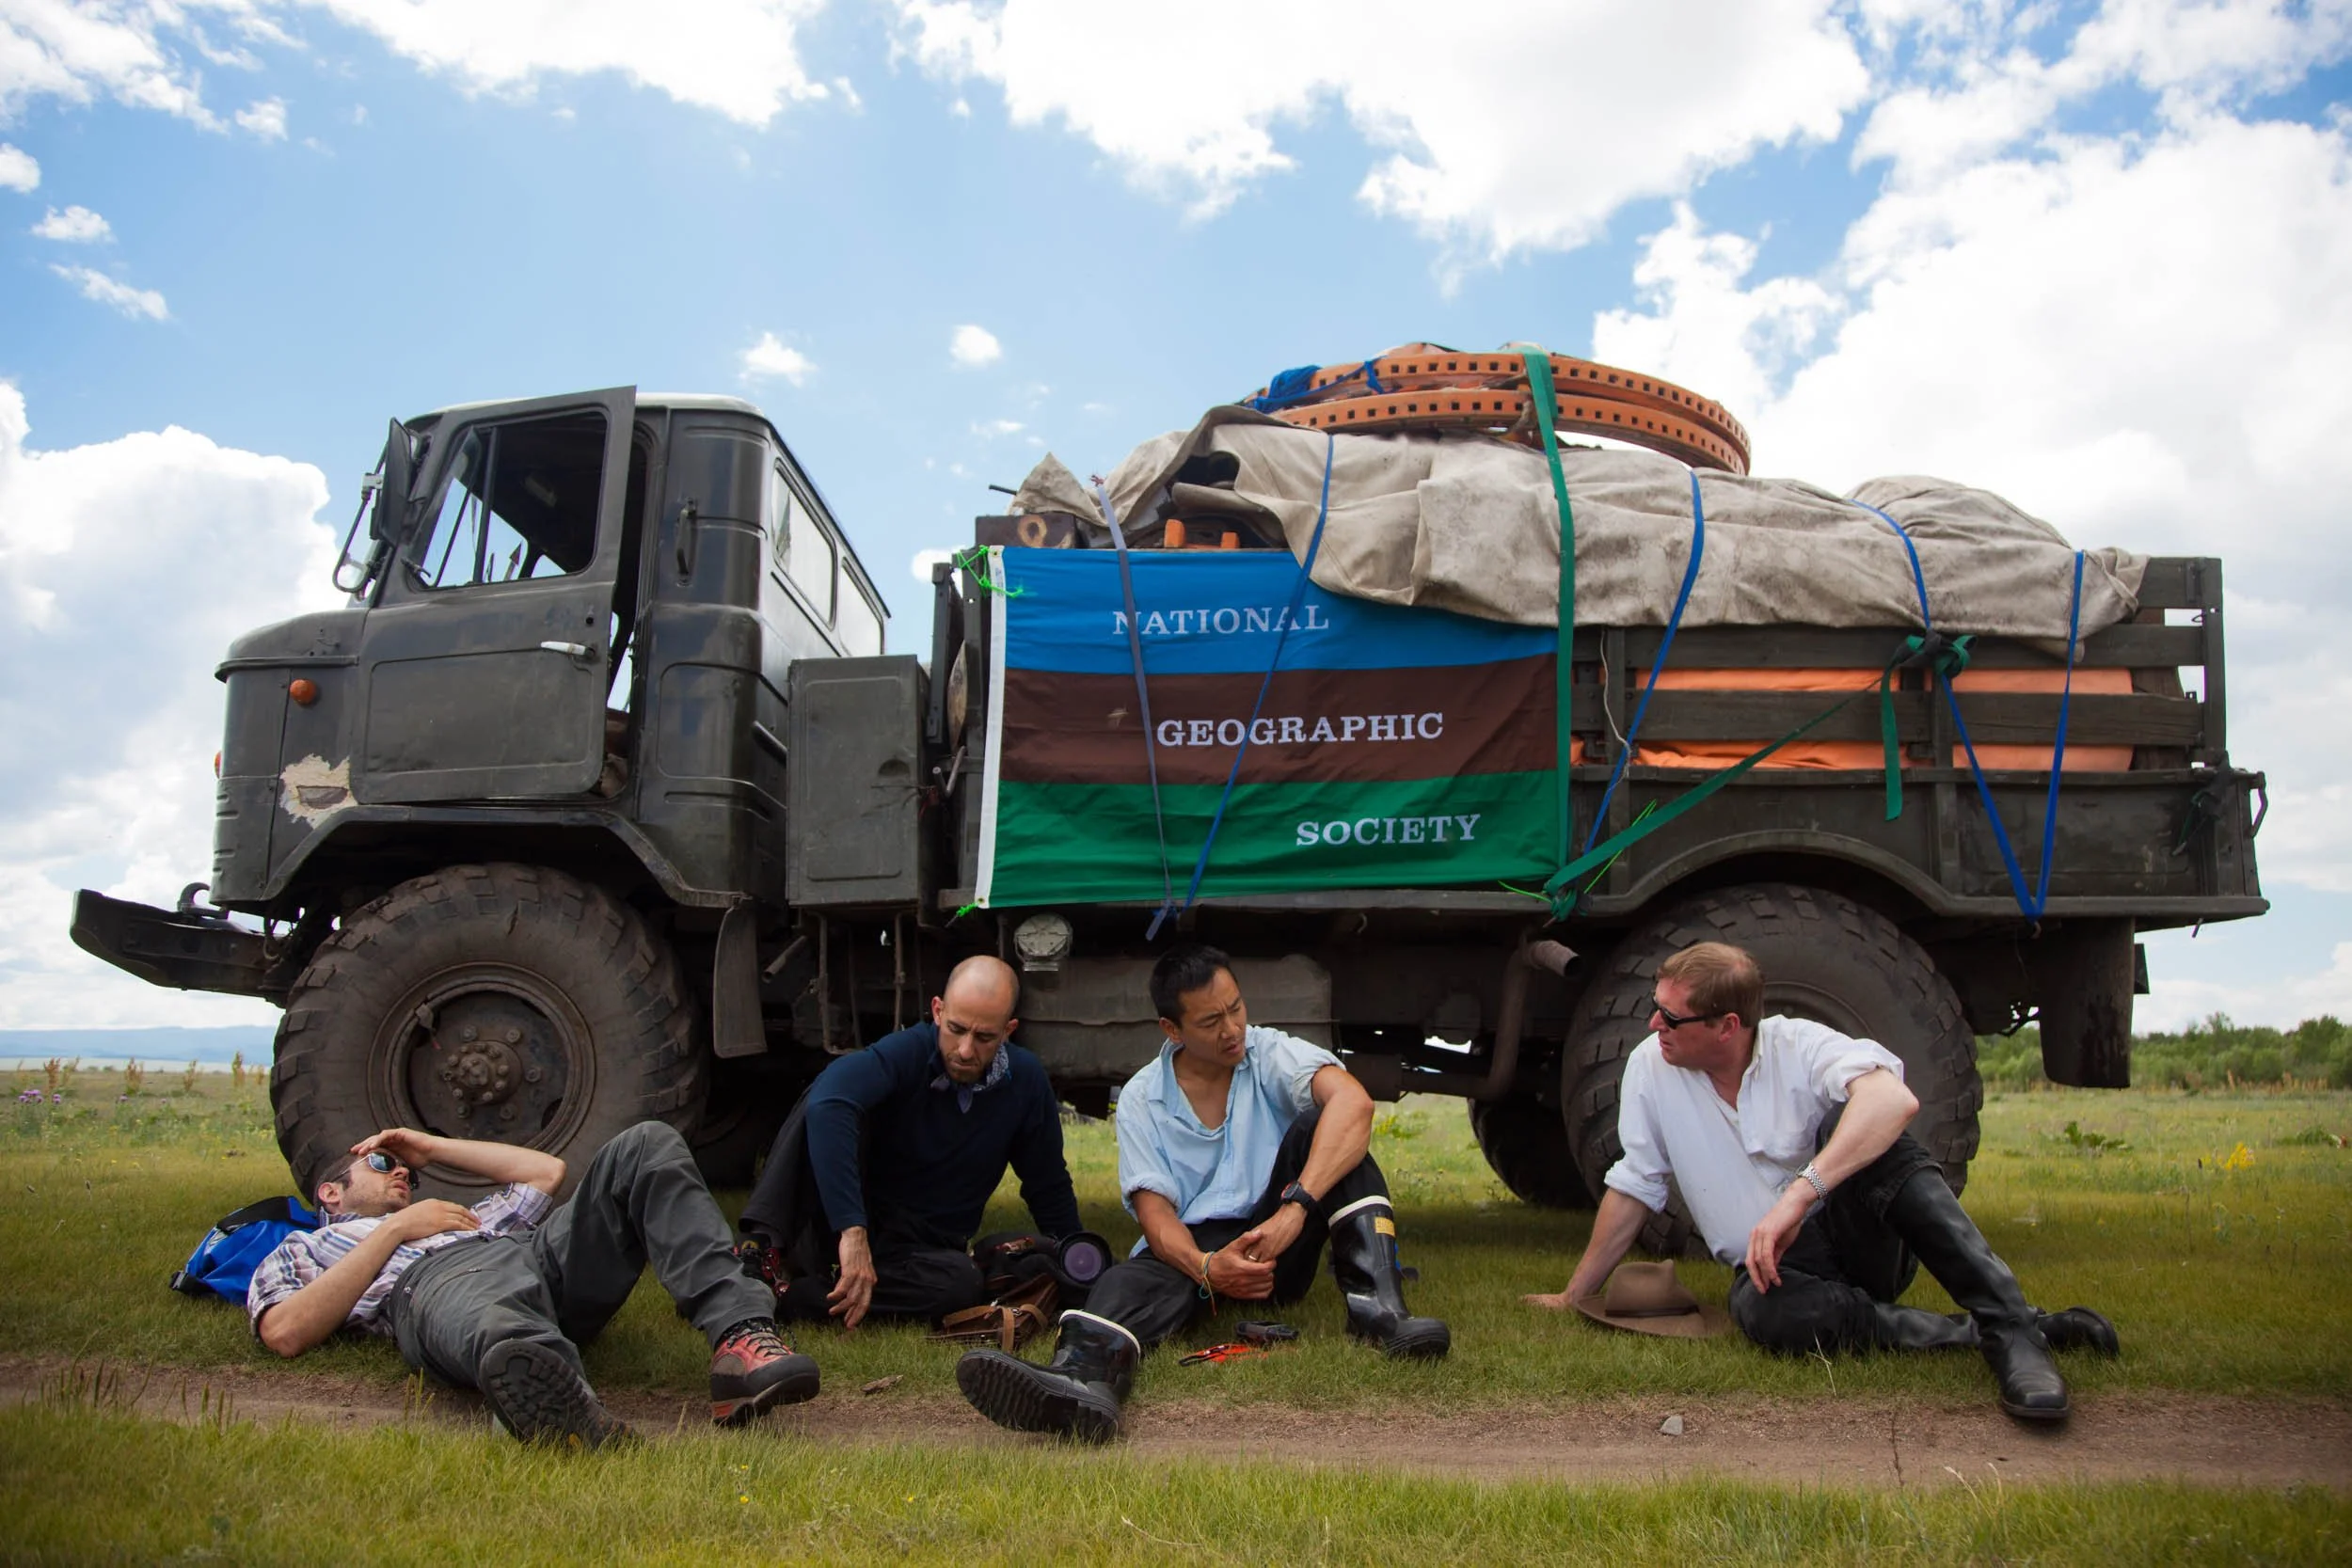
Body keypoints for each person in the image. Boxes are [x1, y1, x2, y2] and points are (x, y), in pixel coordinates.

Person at [1525, 941, 2118, 1421]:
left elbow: (1894, 1100)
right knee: (1758, 1310)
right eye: (1656, 1008)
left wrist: (1799, 1196)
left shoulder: (1799, 1044)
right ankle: (1992, 1332)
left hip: (1856, 1240)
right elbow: (1636, 1185)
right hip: (1777, 1271)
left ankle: (2011, 1327)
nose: (1655, 1024)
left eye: (1671, 1017)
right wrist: (1575, 1296)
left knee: (1866, 1128)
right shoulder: (1649, 1066)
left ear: (1727, 1026)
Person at [957, 943, 1448, 1444]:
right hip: (1196, 1255)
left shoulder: (1269, 1052)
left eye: (1236, 1008)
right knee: (1125, 1281)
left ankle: (1379, 1313)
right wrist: (1207, 1267)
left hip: (1277, 1242)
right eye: (1211, 1021)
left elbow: (1354, 1105)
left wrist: (1293, 1213)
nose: (1232, 1029)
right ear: (1172, 1030)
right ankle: (1081, 1382)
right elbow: (1155, 1216)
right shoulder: (1142, 1097)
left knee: (1331, 1129)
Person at [248, 1120, 817, 1448]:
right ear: (330, 1192)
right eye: (380, 1164)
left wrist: (430, 1148)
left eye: (407, 1172)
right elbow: (284, 1330)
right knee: (491, 1311)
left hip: (527, 1254)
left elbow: (547, 1173)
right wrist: (396, 1229)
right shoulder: (305, 1247)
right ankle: (555, 1396)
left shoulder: (453, 1214)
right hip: (435, 1282)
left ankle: (740, 1338)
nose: (401, 1172)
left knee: (646, 1143)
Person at [739, 955, 1083, 1328]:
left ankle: (802, 1297)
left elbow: (1048, 1184)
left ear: (1007, 1030)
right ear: (937, 1011)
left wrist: (1080, 1259)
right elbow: (831, 1102)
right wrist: (852, 1230)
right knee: (826, 1096)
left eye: (984, 1037)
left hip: (923, 1250)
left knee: (962, 1285)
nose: (965, 1050)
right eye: (956, 1029)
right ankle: (760, 1253)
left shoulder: (1026, 1081)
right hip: (855, 1220)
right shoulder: (907, 1052)